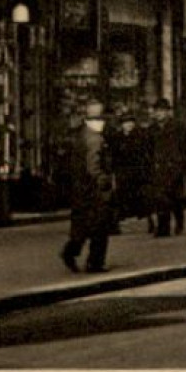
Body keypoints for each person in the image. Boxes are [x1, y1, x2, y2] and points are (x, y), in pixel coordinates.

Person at [61, 101, 115, 273]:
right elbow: (94, 166)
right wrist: (104, 182)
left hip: (80, 190)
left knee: (82, 226)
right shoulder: (95, 139)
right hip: (94, 191)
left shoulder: (80, 135)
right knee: (100, 227)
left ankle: (70, 251)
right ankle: (95, 262)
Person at [146, 99, 186, 237]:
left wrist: (185, 166)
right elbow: (148, 149)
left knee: (175, 198)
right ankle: (163, 227)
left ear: (168, 112)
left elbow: (185, 147)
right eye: (157, 111)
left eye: (161, 111)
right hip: (158, 166)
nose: (158, 114)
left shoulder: (178, 127)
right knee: (160, 198)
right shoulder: (152, 129)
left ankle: (179, 221)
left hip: (174, 166)